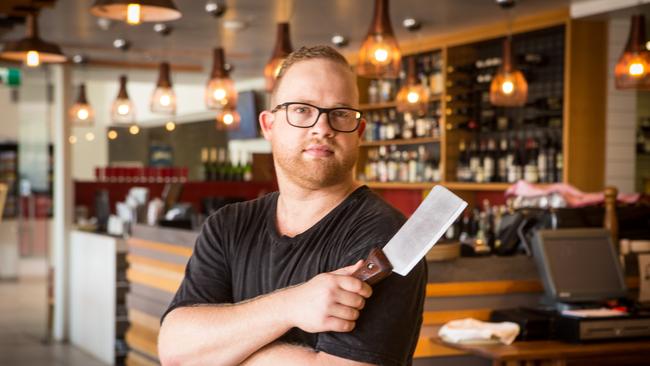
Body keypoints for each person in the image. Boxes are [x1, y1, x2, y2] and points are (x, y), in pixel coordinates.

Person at [158, 45, 427, 366]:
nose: (322, 127)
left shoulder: (387, 236)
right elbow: (176, 351)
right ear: (269, 125)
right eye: (301, 109)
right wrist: (290, 306)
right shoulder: (228, 225)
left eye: (340, 113)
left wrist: (225, 352)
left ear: (359, 132)